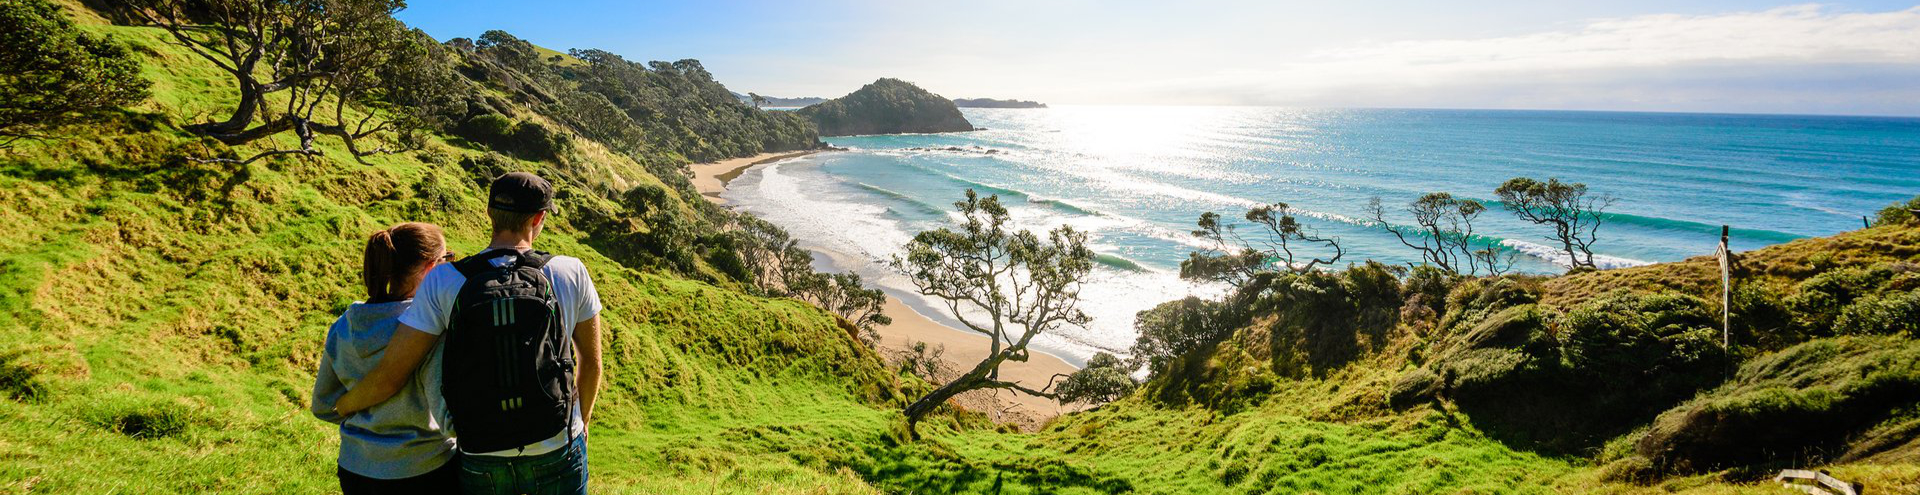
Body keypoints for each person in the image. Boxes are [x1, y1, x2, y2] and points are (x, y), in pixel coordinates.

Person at [333, 172, 604, 495]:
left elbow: (392, 375)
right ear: (539, 218)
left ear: (489, 212)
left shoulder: (443, 280)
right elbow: (591, 363)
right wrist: (581, 420)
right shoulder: (570, 271)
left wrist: (343, 405)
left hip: (480, 449)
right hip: (557, 443)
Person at [311, 222, 461, 495]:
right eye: (446, 259)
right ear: (430, 268)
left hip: (355, 469)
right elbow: (450, 421)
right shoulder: (427, 330)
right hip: (424, 470)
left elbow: (322, 406)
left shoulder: (343, 326)